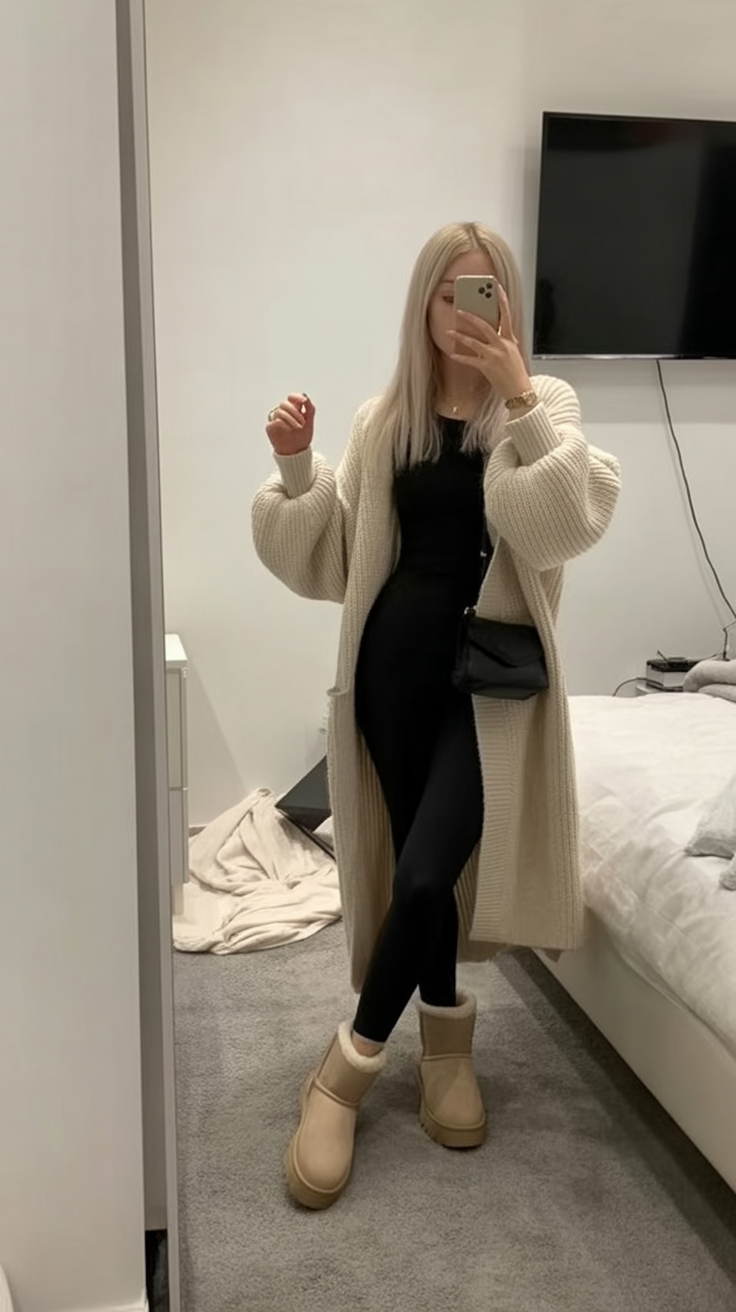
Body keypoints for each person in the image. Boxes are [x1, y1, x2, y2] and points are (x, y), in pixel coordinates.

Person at [252, 222, 621, 1211]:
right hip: (391, 672)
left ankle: (345, 1070)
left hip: (489, 685)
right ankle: (446, 1036)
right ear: (424, 304)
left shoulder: (543, 407)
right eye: (451, 291)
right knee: (420, 865)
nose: (468, 310)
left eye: (486, 290)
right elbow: (337, 554)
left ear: (508, 303)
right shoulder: (386, 422)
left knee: (424, 872)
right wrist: (297, 467)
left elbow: (561, 525)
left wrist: (519, 399)